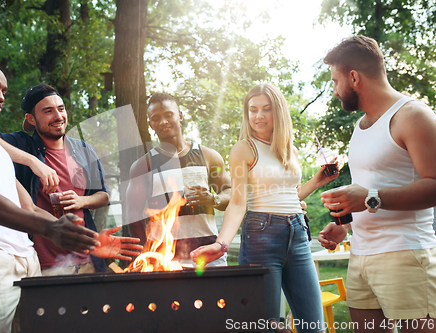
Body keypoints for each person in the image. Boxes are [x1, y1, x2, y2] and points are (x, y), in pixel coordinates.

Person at [0, 60, 142, 332]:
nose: (0, 96)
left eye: (4, 91)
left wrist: (89, 241)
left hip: (25, 261)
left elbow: (28, 207)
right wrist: (50, 226)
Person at [191, 83, 339, 333]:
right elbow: (239, 201)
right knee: (263, 326)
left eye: (266, 109)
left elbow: (289, 195)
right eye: (253, 110)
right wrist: (222, 243)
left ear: (278, 112)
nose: (258, 116)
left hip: (298, 236)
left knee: (314, 326)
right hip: (262, 236)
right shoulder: (244, 148)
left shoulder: (289, 149)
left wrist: (318, 180)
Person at [318, 35, 436, 332]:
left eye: (335, 81)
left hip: (405, 256)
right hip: (360, 256)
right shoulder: (361, 126)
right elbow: (369, 190)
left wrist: (371, 198)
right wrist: (343, 225)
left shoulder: (413, 115)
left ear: (354, 77)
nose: (334, 91)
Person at [0, 84, 114, 275]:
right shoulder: (23, 144)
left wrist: (82, 201)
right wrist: (31, 161)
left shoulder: (84, 150)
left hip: (89, 262)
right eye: (48, 111)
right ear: (31, 119)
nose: (58, 116)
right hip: (44, 266)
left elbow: (103, 195)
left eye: (61, 109)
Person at [127, 92, 232, 267]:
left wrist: (212, 199)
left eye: (168, 115)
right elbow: (133, 215)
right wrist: (147, 254)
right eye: (156, 118)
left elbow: (230, 193)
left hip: (208, 258)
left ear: (180, 115)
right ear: (150, 124)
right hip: (166, 262)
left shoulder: (208, 156)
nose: (163, 122)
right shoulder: (142, 166)